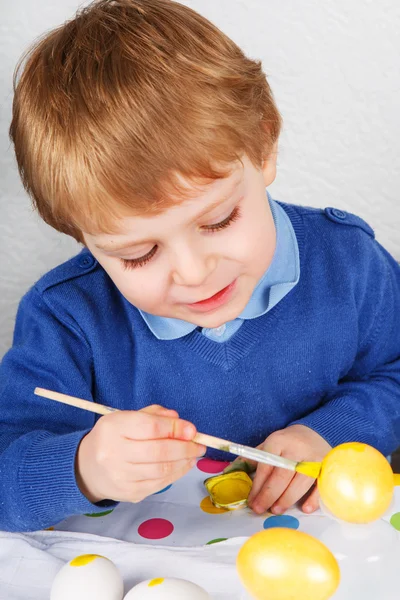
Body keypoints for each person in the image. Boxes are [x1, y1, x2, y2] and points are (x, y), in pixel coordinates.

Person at [1, 0, 400, 533]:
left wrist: (331, 431)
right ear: (79, 234)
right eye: (138, 253)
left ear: (263, 144)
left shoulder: (348, 265)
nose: (193, 273)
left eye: (218, 220)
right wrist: (84, 467)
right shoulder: (67, 320)